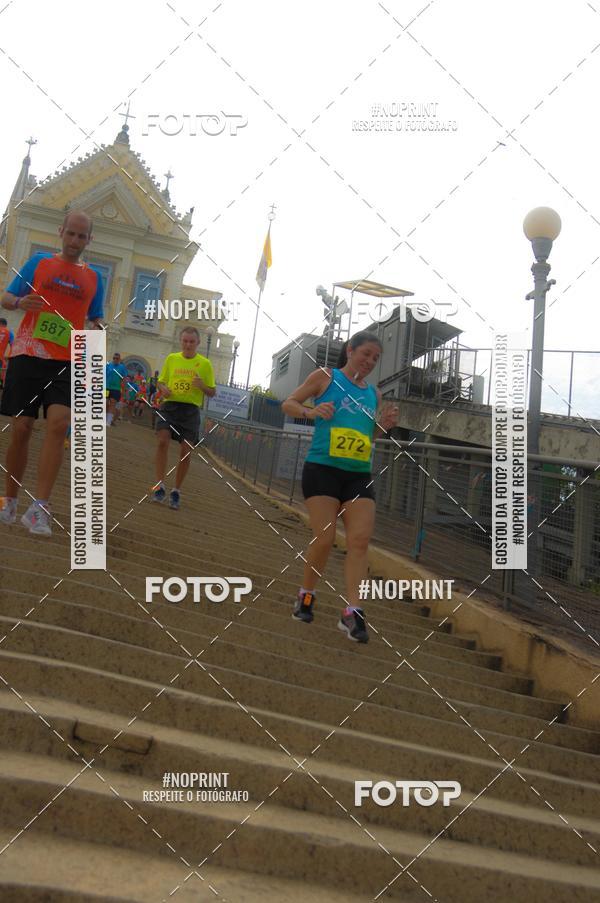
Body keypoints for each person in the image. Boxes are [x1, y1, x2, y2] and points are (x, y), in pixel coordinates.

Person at [282, 331, 398, 643]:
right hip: (322, 469)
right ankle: (306, 595)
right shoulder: (325, 377)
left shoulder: (373, 393)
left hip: (358, 474)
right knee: (326, 537)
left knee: (359, 541)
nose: (370, 361)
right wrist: (311, 411)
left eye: (375, 358)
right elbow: (288, 403)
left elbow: (367, 435)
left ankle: (352, 612)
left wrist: (381, 428)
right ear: (350, 350)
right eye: (366, 354)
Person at [0, 210, 104, 535]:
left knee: (59, 425)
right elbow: (6, 296)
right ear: (61, 232)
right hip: (28, 353)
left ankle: (39, 509)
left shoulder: (94, 278)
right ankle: (10, 501)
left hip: (66, 360)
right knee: (22, 428)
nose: (75, 241)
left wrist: (98, 329)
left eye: (81, 236)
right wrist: (19, 303)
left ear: (90, 239)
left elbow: (96, 318)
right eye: (70, 234)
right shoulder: (38, 263)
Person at [152, 326, 216, 510]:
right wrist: (162, 389)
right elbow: (161, 381)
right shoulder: (172, 359)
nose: (188, 345)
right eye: (185, 341)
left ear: (198, 343)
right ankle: (159, 486)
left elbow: (212, 392)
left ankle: (176, 491)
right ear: (181, 341)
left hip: (190, 411)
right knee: (162, 441)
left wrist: (202, 385)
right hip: (170, 407)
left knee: (186, 450)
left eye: (192, 342)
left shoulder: (205, 364)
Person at [105, 352, 128, 426]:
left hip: (116, 389)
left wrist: (123, 390)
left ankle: (108, 421)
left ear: (119, 359)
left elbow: (124, 379)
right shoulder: (108, 365)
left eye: (117, 358)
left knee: (112, 404)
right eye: (114, 358)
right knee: (105, 403)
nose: (115, 359)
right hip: (106, 388)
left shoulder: (122, 367)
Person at [0, 317, 14, 388]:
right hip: (0, 358)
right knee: (1, 374)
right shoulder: (9, 333)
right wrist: (10, 357)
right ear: (5, 325)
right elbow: (12, 346)